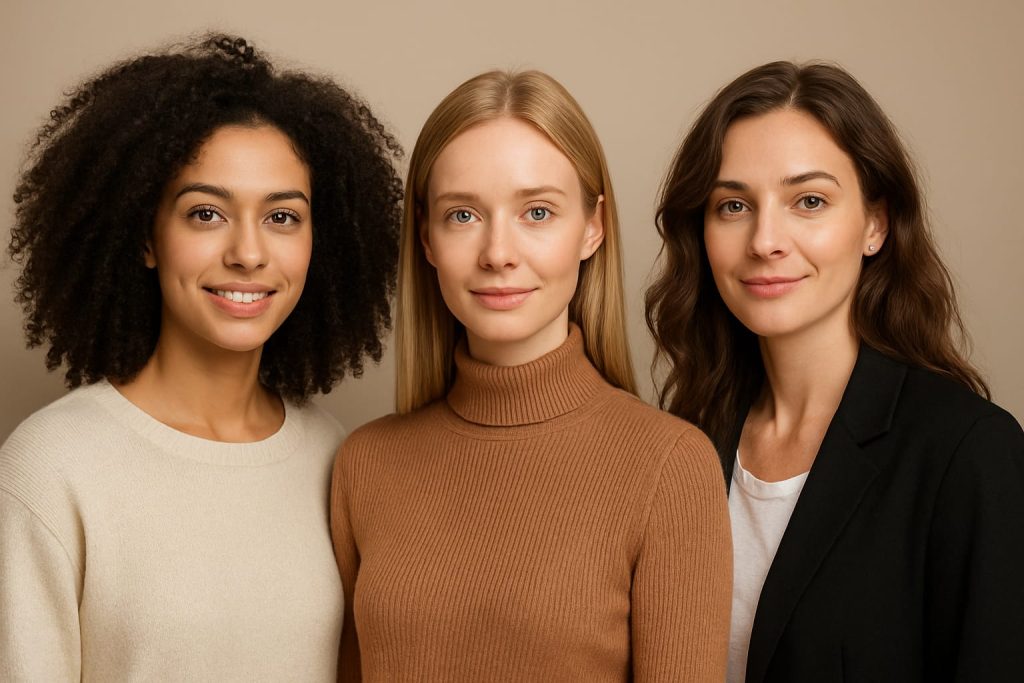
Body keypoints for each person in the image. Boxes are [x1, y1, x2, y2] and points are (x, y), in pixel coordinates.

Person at [0, 34, 402, 680]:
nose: (248, 253)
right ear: (146, 236)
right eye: (207, 213)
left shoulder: (336, 457)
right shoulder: (51, 466)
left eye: (282, 217)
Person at [330, 69, 731, 681]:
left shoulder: (669, 466)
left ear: (592, 227)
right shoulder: (365, 464)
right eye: (462, 215)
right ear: (427, 237)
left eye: (537, 212)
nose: (498, 253)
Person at [646, 60, 1024, 682]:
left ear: (875, 224)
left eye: (809, 201)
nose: (765, 240)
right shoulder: (686, 439)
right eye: (733, 205)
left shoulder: (967, 452)